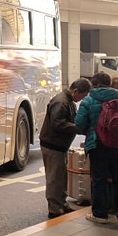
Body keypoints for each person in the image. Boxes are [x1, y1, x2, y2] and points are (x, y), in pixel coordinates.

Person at [75, 71, 118, 226]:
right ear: (110, 84)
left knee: (99, 180)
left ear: (94, 84)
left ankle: (100, 214)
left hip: (98, 145)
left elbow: (79, 125)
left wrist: (91, 130)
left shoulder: (89, 100)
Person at [39, 77, 92, 219]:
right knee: (54, 178)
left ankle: (61, 203)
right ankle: (54, 208)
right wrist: (78, 128)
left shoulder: (68, 101)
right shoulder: (61, 101)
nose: (82, 99)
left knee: (61, 177)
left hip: (59, 146)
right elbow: (58, 123)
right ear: (75, 91)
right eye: (83, 95)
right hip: (53, 145)